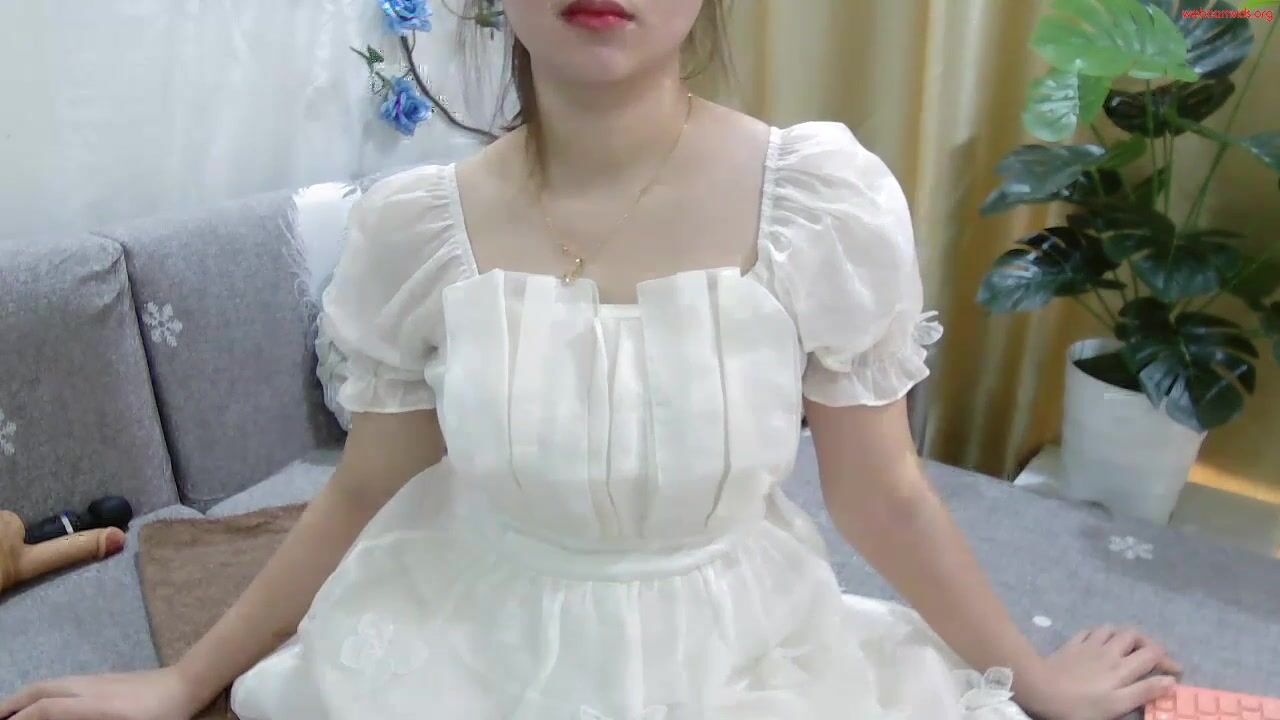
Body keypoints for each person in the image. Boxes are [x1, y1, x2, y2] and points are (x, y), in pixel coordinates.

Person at [0, 1, 1184, 718]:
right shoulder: (418, 230)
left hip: (743, 648)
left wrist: (1031, 679)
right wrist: (183, 683)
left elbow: (882, 493)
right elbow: (364, 491)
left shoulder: (814, 200)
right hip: (473, 644)